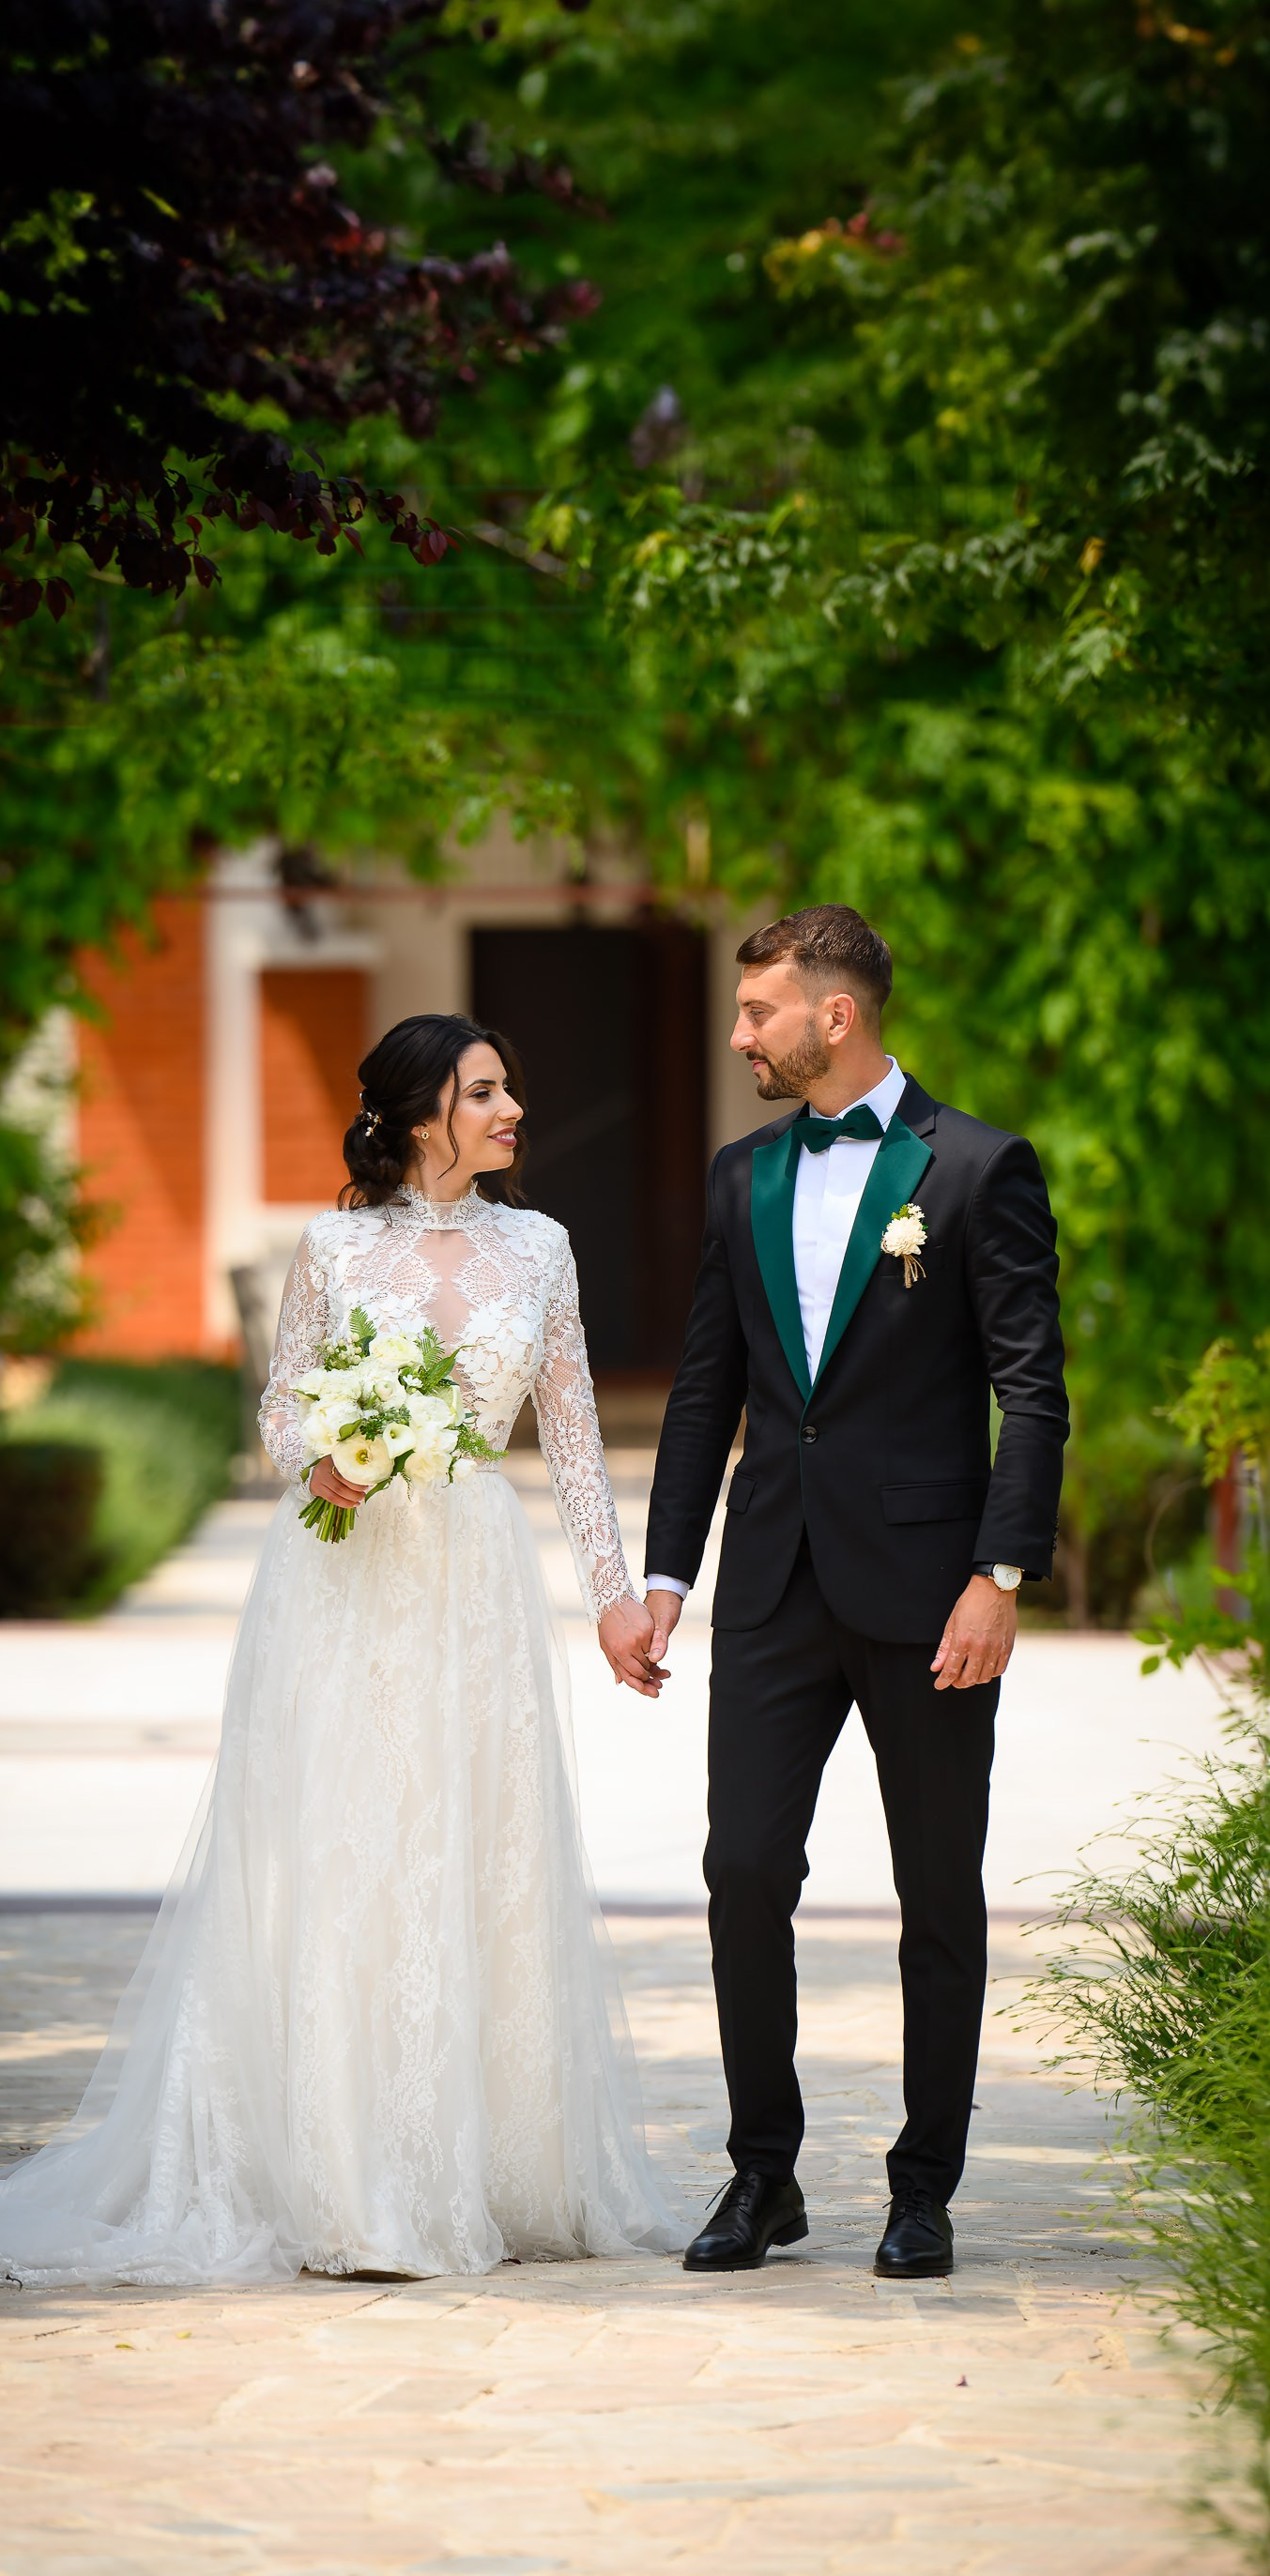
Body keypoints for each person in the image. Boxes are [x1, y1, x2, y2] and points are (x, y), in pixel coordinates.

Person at [0, 1013, 680, 2288]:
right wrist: (327, 1460)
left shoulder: (542, 1249)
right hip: (346, 1579)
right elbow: (281, 1403)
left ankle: (491, 2167)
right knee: (344, 1849)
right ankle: (348, 2180)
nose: (513, 1109)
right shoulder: (335, 1246)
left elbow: (571, 1432)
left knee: (476, 1843)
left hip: (476, 1577)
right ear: (420, 1119)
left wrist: (614, 1596)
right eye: (484, 1092)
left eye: (508, 1088)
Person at [613, 907, 1066, 2281]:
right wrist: (664, 1574)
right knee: (743, 1869)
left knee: (939, 1892)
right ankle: (765, 2175)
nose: (741, 1032)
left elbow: (1030, 1391)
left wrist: (999, 1573)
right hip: (771, 1584)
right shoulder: (740, 1174)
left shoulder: (981, 1168)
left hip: (933, 1593)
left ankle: (923, 2188)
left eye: (759, 1011)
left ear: (836, 1017)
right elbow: (708, 1390)